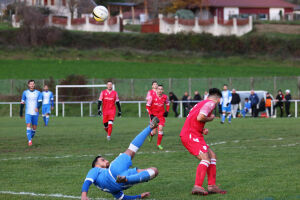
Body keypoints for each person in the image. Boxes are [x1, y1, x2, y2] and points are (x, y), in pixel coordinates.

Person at [81, 117, 160, 200]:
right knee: (131, 150)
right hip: (114, 170)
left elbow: (122, 198)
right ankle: (150, 128)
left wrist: (139, 196)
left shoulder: (107, 189)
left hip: (121, 183)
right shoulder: (95, 170)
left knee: (154, 171)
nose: (107, 160)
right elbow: (87, 181)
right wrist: (83, 195)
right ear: (96, 165)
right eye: (103, 160)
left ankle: (126, 179)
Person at [180, 88, 226, 196]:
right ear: (218, 99)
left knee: (212, 156)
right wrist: (211, 118)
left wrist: (201, 129)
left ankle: (212, 186)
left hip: (195, 133)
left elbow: (194, 119)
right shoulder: (211, 104)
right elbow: (200, 117)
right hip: (190, 135)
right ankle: (197, 186)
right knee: (205, 158)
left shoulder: (202, 102)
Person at [146, 85, 170, 150]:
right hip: (154, 116)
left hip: (161, 116)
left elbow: (167, 104)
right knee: (154, 132)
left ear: (163, 90)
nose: (160, 90)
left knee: (161, 128)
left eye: (161, 89)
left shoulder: (165, 97)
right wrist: (150, 114)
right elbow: (147, 106)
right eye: (158, 89)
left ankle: (158, 144)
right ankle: (151, 135)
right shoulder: (152, 97)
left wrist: (167, 111)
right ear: (156, 90)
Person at [20, 80, 42, 146]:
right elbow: (22, 103)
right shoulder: (25, 93)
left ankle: (30, 137)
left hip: (35, 113)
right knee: (28, 125)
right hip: (28, 112)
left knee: (34, 128)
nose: (32, 85)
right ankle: (29, 141)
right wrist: (21, 112)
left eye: (33, 84)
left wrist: (37, 107)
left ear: (34, 85)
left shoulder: (38, 93)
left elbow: (40, 102)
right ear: (28, 85)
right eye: (30, 84)